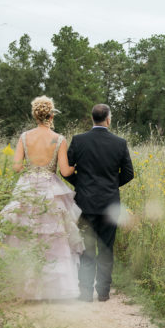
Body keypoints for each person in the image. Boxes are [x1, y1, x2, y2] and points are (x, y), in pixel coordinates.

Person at [0, 96, 83, 300]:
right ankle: (53, 290)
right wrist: (78, 165)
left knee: (26, 236)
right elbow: (65, 171)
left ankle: (25, 287)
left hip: (28, 186)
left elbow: (17, 167)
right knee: (54, 239)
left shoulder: (24, 137)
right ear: (51, 115)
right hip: (50, 190)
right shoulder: (59, 139)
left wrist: (31, 165)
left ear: (35, 115)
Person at [64, 103, 134, 302]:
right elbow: (129, 174)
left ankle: (85, 293)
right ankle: (103, 293)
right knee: (106, 248)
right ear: (108, 119)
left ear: (92, 118)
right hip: (110, 205)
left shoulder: (79, 140)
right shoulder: (119, 143)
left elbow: (66, 170)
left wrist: (81, 183)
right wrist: (112, 185)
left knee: (86, 249)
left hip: (85, 203)